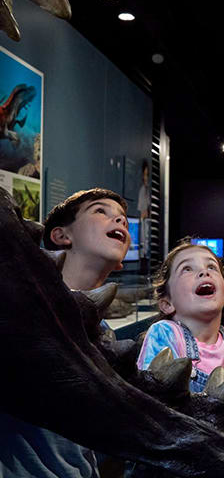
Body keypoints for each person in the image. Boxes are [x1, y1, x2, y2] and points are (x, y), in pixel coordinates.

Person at [0, 188, 130, 478]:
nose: (120, 221)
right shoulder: (19, 311)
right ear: (60, 236)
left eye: (123, 219)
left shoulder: (103, 334)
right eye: (101, 211)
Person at [137, 241, 224, 403]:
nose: (204, 272)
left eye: (212, 267)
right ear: (167, 303)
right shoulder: (165, 333)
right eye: (187, 269)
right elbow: (153, 404)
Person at [137, 159, 151, 272]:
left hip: (147, 220)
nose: (146, 178)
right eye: (144, 175)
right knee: (143, 243)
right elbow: (142, 208)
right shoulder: (142, 190)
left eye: (147, 175)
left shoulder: (148, 190)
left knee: (146, 243)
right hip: (143, 219)